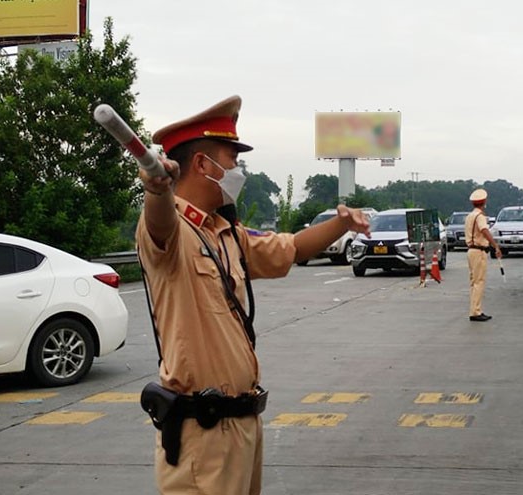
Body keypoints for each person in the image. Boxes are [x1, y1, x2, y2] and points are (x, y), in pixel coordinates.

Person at [135, 95, 370, 494]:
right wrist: (157, 192)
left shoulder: (226, 234)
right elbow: (158, 223)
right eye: (231, 160)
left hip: (242, 424)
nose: (235, 170)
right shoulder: (173, 234)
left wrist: (341, 224)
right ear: (202, 165)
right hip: (201, 432)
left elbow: (290, 249)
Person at [464, 188, 502, 322]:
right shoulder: (480, 217)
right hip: (479, 251)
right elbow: (484, 230)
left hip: (471, 250)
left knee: (474, 282)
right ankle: (476, 312)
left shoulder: (470, 216)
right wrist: (495, 245)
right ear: (484, 202)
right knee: (479, 282)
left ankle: (474, 309)